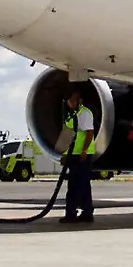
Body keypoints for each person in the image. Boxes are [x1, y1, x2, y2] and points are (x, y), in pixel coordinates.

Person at [60, 86, 95, 223]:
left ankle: (71, 213)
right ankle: (87, 212)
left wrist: (84, 150)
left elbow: (89, 133)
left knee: (75, 185)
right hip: (73, 154)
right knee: (83, 184)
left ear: (80, 100)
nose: (71, 102)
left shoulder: (84, 113)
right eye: (70, 100)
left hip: (82, 156)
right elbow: (68, 135)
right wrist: (64, 154)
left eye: (74, 100)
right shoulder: (72, 115)